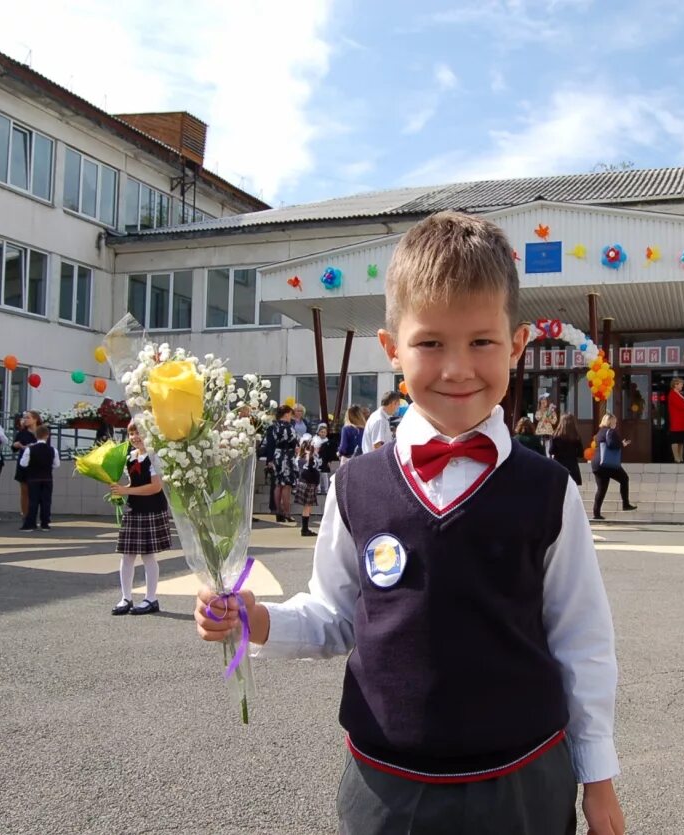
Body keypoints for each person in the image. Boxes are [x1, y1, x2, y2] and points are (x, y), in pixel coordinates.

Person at [194, 210, 624, 835]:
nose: (457, 368)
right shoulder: (357, 485)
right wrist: (254, 619)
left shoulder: (547, 490)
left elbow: (583, 642)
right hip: (385, 787)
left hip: (524, 782)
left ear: (518, 344)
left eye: (482, 341)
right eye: (430, 343)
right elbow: (336, 617)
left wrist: (598, 780)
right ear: (392, 348)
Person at [108, 422, 169, 616]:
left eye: (139, 433)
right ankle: (126, 598)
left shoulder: (154, 456)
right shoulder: (130, 457)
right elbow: (134, 483)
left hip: (151, 509)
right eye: (131, 433)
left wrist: (126, 490)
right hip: (134, 508)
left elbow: (155, 487)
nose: (135, 437)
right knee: (127, 555)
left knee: (148, 555)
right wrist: (119, 490)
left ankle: (151, 598)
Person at [592, 412, 636, 521]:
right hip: (608, 464)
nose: (615, 423)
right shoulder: (610, 431)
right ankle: (625, 504)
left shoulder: (599, 433)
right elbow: (611, 444)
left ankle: (596, 513)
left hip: (597, 464)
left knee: (601, 489)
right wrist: (622, 444)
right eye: (614, 421)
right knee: (624, 479)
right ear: (610, 421)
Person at [261, 404, 299, 523]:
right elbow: (294, 441)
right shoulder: (289, 427)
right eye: (290, 414)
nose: (291, 417)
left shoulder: (273, 427)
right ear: (287, 414)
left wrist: (270, 460)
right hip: (287, 456)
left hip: (277, 456)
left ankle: (279, 512)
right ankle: (286, 513)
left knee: (278, 484)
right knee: (286, 485)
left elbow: (270, 444)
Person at [18, 424, 59, 531]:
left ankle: (30, 523)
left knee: (33, 501)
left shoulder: (30, 449)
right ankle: (45, 523)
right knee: (46, 501)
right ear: (47, 435)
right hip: (47, 478)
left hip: (33, 478)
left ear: (36, 435)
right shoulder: (52, 450)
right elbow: (56, 464)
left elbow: (23, 464)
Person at [11, 410, 43, 521]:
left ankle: (34, 514)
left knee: (36, 491)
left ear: (35, 419)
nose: (25, 420)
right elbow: (14, 447)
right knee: (25, 491)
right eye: (24, 417)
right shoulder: (22, 433)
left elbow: (46, 446)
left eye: (28, 417)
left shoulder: (42, 432)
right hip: (24, 464)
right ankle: (25, 515)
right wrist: (18, 445)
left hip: (37, 464)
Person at [294, 433, 321, 538]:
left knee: (307, 507)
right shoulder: (307, 458)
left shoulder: (302, 457)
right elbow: (309, 466)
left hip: (307, 483)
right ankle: (304, 529)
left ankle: (305, 528)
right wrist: (309, 455)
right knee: (307, 507)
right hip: (308, 483)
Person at [549, 412, 584, 485]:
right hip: (572, 465)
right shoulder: (576, 437)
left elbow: (551, 451)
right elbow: (581, 454)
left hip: (559, 465)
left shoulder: (555, 436)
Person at [667, 377, 684, 464]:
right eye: (681, 384)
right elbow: (683, 405)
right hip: (677, 421)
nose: (682, 385)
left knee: (681, 441)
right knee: (675, 440)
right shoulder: (672, 394)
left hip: (682, 421)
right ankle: (676, 458)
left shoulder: (678, 394)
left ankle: (681, 457)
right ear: (675, 385)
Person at [313, 423, 335, 493]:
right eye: (321, 432)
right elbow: (313, 450)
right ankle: (318, 489)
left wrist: (329, 461)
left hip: (325, 460)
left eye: (324, 432)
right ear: (318, 432)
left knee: (324, 475)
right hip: (317, 459)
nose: (323, 433)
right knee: (317, 474)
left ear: (326, 433)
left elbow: (330, 453)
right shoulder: (315, 440)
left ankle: (326, 489)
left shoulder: (327, 441)